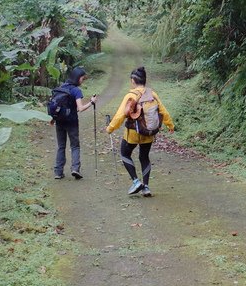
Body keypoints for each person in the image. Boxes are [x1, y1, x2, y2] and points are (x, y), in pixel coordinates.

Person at [105, 66, 174, 197]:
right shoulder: (152, 94)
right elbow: (163, 111)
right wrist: (170, 125)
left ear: (133, 80)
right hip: (148, 132)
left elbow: (120, 115)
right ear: (144, 81)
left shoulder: (130, 96)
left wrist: (110, 128)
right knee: (144, 157)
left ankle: (136, 182)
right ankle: (146, 187)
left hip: (133, 133)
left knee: (125, 153)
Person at [52, 67, 97, 180]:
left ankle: (58, 172)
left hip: (59, 121)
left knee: (61, 146)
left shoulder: (61, 87)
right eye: (82, 78)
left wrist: (53, 118)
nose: (82, 81)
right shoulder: (76, 90)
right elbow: (80, 108)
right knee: (75, 146)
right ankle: (75, 169)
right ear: (77, 78)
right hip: (71, 122)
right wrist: (91, 102)